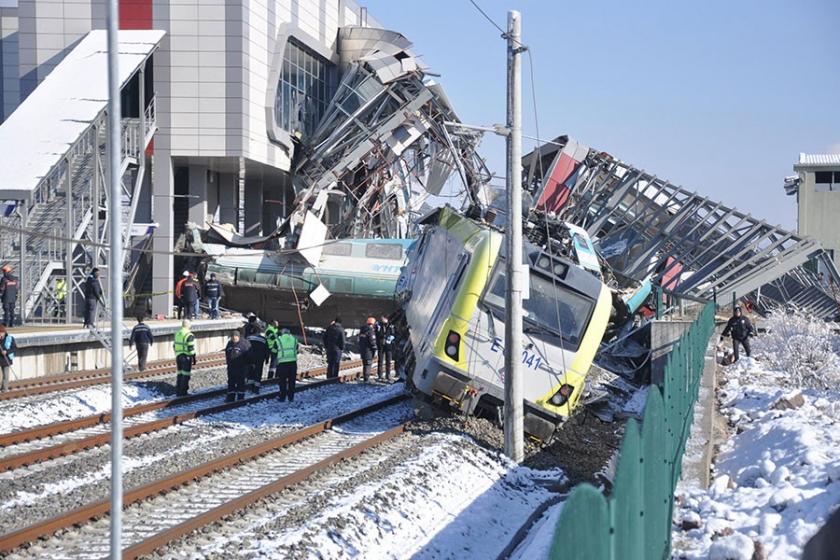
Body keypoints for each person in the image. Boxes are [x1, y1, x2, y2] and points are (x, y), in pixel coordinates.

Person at [224, 330, 251, 402]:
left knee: (240, 382)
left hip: (241, 367)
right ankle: (230, 397)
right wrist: (228, 364)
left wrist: (247, 366)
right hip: (231, 367)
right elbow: (227, 354)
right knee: (231, 382)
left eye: (235, 337)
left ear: (238, 337)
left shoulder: (244, 344)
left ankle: (240, 397)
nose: (234, 339)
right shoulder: (229, 344)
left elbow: (248, 356)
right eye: (232, 337)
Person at [173, 319, 196, 396]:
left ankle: (178, 390)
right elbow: (190, 348)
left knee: (180, 374)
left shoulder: (177, 333)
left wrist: (177, 352)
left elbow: (174, 345)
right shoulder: (189, 335)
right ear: (189, 325)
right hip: (186, 357)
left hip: (178, 356)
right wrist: (194, 356)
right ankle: (183, 392)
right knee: (186, 374)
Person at [276, 327, 299, 402]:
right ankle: (291, 397)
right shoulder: (294, 339)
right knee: (292, 381)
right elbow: (297, 349)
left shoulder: (278, 340)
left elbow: (274, 350)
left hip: (282, 363)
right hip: (293, 363)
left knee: (282, 381)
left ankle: (282, 397)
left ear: (282, 333)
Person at [246, 327, 269, 394]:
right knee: (258, 373)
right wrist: (267, 359)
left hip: (250, 358)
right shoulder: (263, 339)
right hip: (260, 359)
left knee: (250, 372)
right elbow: (267, 350)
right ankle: (256, 388)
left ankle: (250, 387)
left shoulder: (248, 338)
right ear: (259, 332)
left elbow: (245, 348)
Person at [375, 315, 396, 381]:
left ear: (386, 319)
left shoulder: (390, 325)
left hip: (388, 345)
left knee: (388, 360)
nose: (382, 320)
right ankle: (380, 375)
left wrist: (391, 338)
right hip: (381, 344)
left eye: (383, 318)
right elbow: (376, 334)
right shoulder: (379, 325)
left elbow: (394, 333)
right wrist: (377, 329)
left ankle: (388, 374)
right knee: (380, 360)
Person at [359, 316, 378, 383]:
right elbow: (372, 341)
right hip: (369, 351)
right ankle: (366, 379)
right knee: (368, 365)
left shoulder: (362, 331)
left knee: (365, 364)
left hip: (363, 350)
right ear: (372, 324)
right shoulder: (370, 331)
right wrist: (375, 348)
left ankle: (365, 378)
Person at [0, 325, 17, 391]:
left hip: (6, 359)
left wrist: (6, 351)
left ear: (4, 332)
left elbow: (14, 348)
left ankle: (4, 388)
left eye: (0, 332)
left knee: (5, 375)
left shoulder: (10, 338)